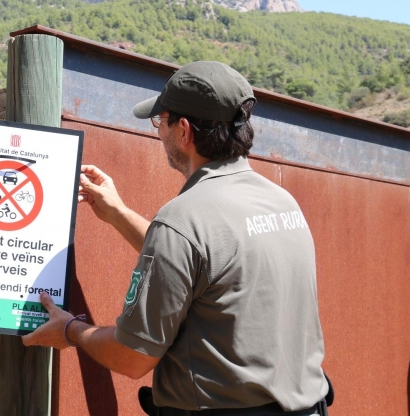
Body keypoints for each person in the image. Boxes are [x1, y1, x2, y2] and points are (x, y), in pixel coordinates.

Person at [23, 62, 330, 415]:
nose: (159, 132)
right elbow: (207, 267)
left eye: (160, 121)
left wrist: (71, 330)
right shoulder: (281, 202)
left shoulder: (183, 219)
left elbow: (133, 357)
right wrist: (118, 214)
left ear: (183, 130)